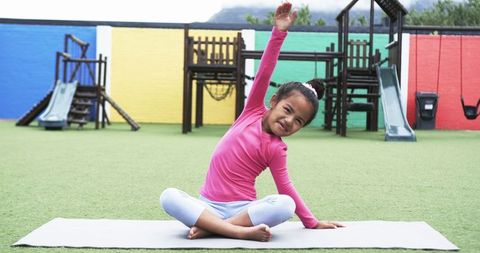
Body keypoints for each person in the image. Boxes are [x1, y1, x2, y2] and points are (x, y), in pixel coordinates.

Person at [160, 1, 343, 242]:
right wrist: (279, 32)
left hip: (243, 211)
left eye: (298, 121)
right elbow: (266, 69)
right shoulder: (253, 111)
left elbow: (285, 189)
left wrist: (311, 221)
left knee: (284, 204)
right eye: (287, 110)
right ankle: (231, 230)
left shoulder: (277, 148)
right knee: (168, 196)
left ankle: (213, 228)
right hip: (207, 206)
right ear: (274, 100)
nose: (289, 121)